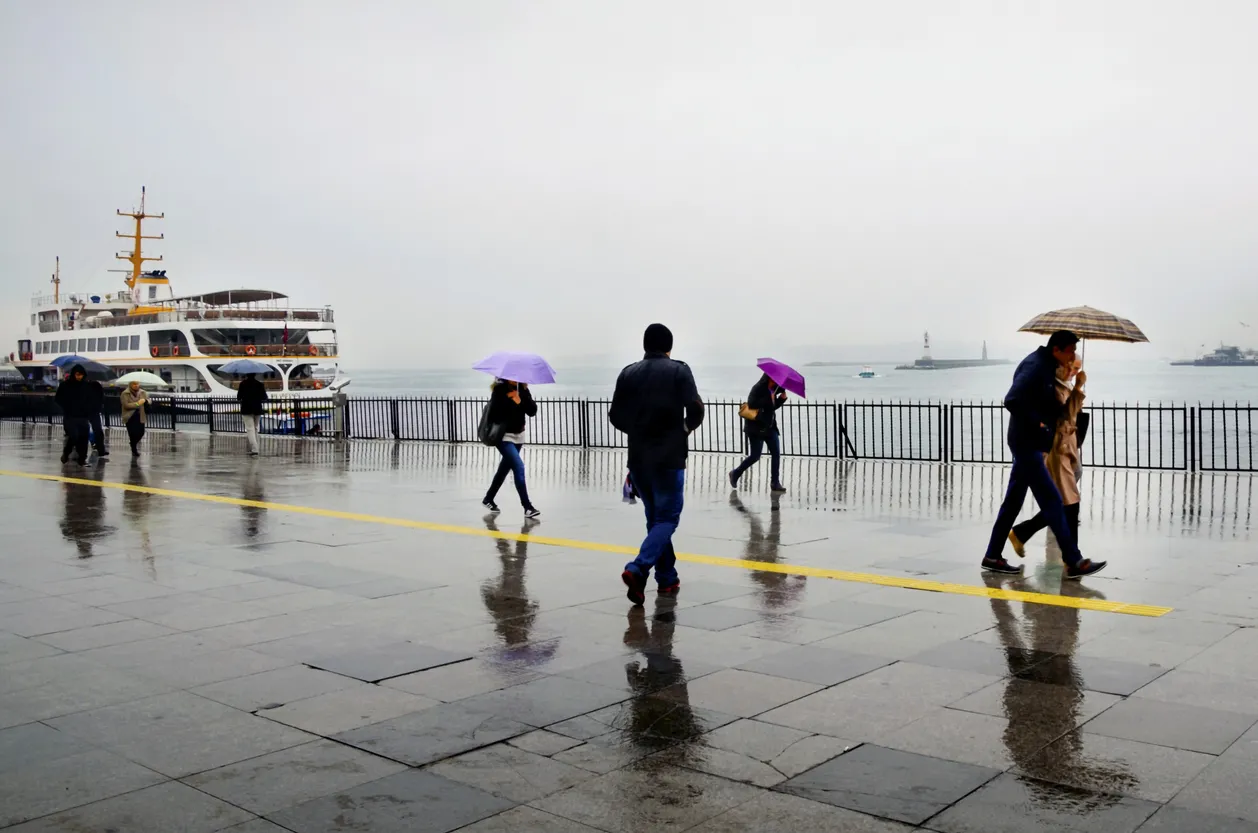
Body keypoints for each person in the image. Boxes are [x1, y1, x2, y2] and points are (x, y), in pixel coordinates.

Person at [981, 331, 1105, 579]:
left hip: (1029, 443)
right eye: (1070, 350)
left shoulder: (1046, 364)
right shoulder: (1036, 365)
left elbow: (1048, 404)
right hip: (1027, 443)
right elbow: (1012, 399)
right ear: (1057, 349)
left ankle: (992, 556)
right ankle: (1073, 561)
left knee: (1013, 502)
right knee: (1052, 501)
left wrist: (1075, 390)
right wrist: (1038, 423)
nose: (1072, 355)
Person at [609, 323, 705, 605]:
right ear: (669, 347)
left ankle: (667, 578)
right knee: (667, 519)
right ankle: (637, 568)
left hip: (639, 458)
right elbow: (696, 408)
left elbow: (615, 416)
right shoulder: (679, 370)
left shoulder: (628, 373)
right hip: (669, 457)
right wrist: (685, 428)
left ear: (644, 346)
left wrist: (639, 431)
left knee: (655, 519)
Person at [1009, 361, 1087, 557]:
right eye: (1071, 366)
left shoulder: (1064, 386)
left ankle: (1022, 532)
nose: (1073, 371)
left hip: (1067, 450)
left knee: (1063, 502)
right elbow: (1064, 417)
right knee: (1066, 503)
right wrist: (1078, 389)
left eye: (1077, 368)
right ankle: (1072, 558)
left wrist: (1076, 392)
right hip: (1057, 451)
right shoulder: (1055, 387)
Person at [481, 379, 540, 518]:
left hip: (519, 435)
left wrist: (520, 400)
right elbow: (495, 414)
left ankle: (488, 498)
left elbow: (532, 411)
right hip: (503, 436)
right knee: (518, 467)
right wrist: (509, 399)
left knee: (504, 469)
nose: (515, 378)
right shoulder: (499, 390)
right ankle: (527, 507)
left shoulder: (523, 389)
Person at [729, 373, 788, 492]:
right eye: (776, 378)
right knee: (755, 456)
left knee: (776, 454)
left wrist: (781, 400)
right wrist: (769, 398)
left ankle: (775, 482)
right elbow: (751, 404)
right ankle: (735, 473)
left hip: (770, 427)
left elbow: (771, 408)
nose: (778, 380)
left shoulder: (774, 390)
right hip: (756, 428)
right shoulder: (758, 388)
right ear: (770, 377)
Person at [54, 364, 93, 466]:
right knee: (74, 436)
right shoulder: (65, 385)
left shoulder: (86, 386)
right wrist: (66, 407)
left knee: (84, 437)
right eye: (77, 374)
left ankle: (82, 459)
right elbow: (58, 399)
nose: (79, 377)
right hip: (70, 416)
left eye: (81, 375)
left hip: (83, 416)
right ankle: (66, 453)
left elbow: (90, 400)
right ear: (73, 374)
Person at [236, 372, 268, 455]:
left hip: (246, 409)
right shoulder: (260, 384)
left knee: (250, 429)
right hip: (257, 409)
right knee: (255, 428)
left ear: (246, 375)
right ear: (255, 374)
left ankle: (255, 449)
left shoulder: (242, 384)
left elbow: (239, 397)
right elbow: (264, 397)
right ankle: (255, 447)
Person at [120, 381, 149, 457]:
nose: (136, 385)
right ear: (130, 385)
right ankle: (134, 449)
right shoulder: (125, 393)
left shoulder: (143, 392)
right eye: (134, 384)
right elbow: (126, 405)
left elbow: (149, 400)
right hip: (129, 417)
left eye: (137, 384)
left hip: (140, 415)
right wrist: (137, 404)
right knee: (132, 434)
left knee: (141, 432)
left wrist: (146, 401)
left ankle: (133, 443)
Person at [86, 373, 108, 458]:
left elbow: (101, 397)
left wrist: (99, 406)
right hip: (82, 411)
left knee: (98, 430)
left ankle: (101, 449)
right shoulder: (80, 386)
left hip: (94, 411)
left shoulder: (96, 385)